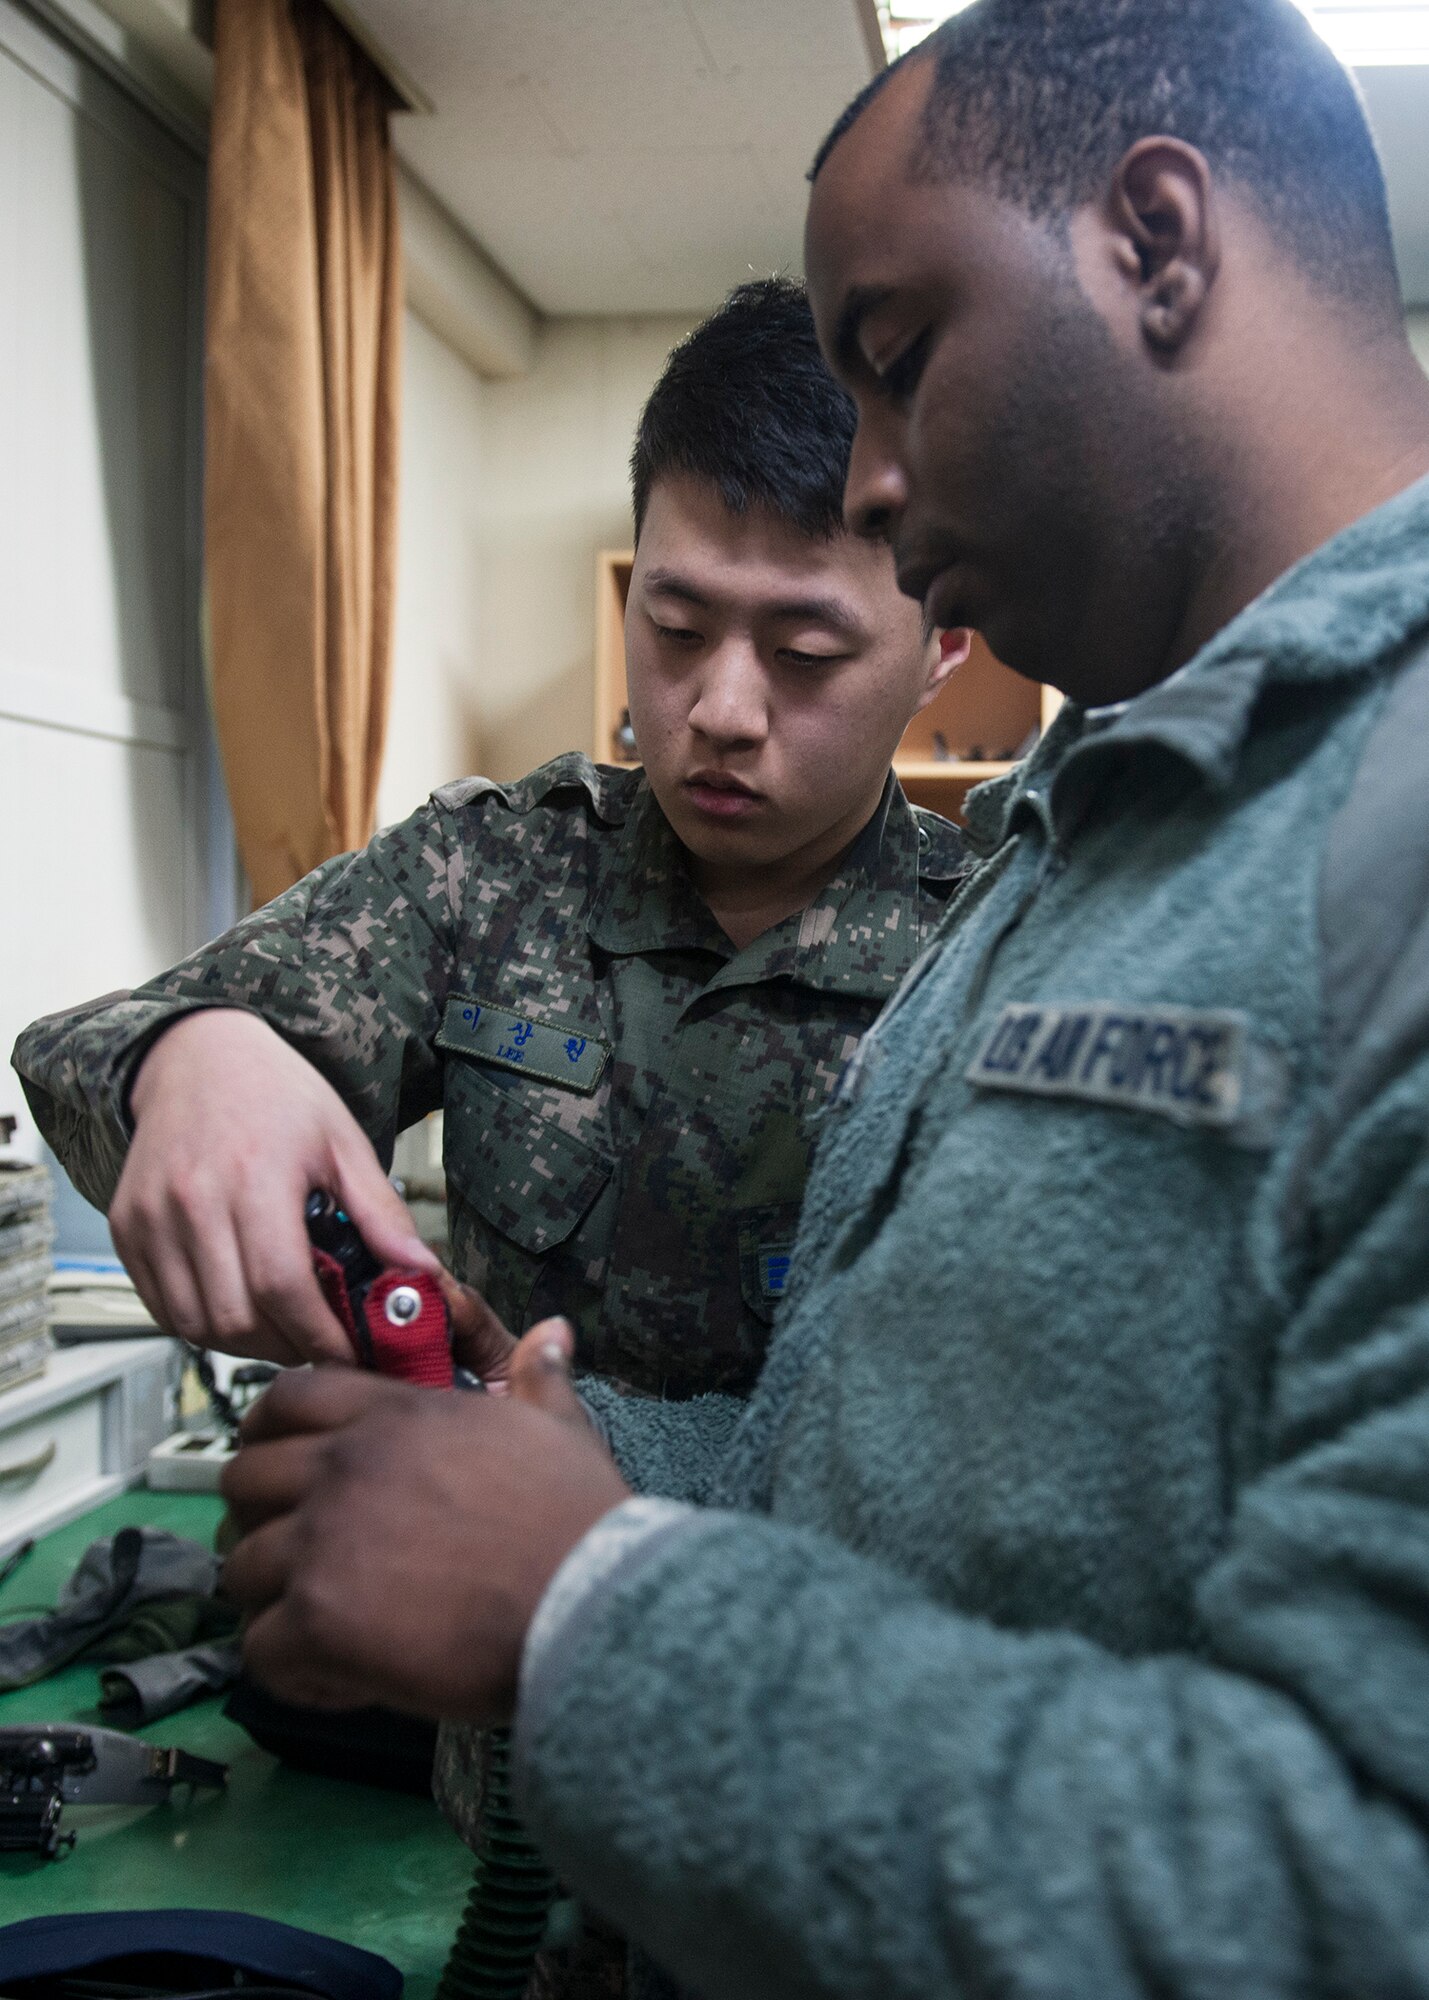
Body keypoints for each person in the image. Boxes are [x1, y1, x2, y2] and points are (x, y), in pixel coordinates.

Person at [187, 1, 1429, 1995]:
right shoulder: (1100, 826)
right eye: (676, 625)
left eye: (897, 358)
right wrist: (562, 1451)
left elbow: (1360, 1888)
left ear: (1156, 241)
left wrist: (575, 1599)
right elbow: (875, 1487)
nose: (864, 477)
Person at [13, 277, 967, 1993]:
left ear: (944, 639)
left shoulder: (1006, 942)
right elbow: (89, 1041)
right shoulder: (500, 872)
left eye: (807, 650)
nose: (721, 708)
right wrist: (199, 1055)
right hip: (512, 1754)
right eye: (673, 628)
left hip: (842, 1766)